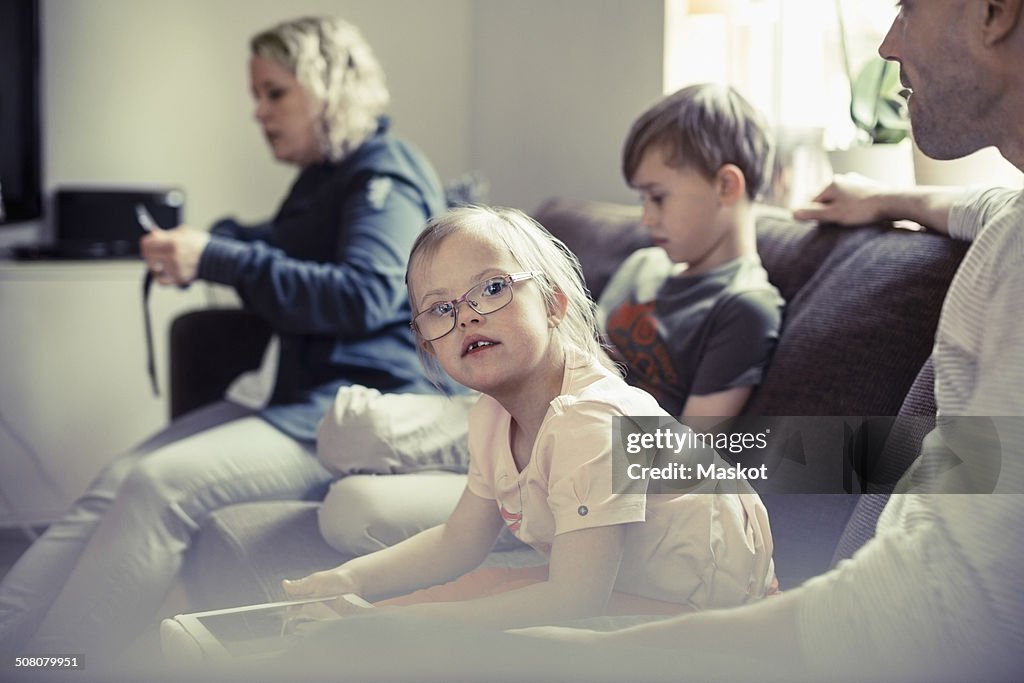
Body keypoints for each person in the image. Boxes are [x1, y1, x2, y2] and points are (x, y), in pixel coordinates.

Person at [510, 2, 1024, 681]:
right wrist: (890, 197)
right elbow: (985, 205)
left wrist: (577, 656)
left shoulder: (743, 308)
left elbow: (945, 601)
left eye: (907, 6)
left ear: (994, 12)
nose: (889, 43)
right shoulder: (1011, 219)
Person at [0, 16, 445, 659]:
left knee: (159, 484)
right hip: (293, 396)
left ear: (327, 87)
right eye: (256, 97)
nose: (259, 113)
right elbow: (281, 242)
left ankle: (55, 665)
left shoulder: (387, 172)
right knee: (120, 475)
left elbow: (366, 291)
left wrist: (217, 257)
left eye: (274, 93)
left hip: (348, 408)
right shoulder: (323, 178)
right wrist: (212, 242)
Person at [312, 83, 784, 556]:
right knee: (348, 426)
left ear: (727, 186)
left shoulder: (744, 306)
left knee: (353, 507)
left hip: (582, 465)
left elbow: (686, 456)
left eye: (657, 197)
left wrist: (566, 474)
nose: (645, 218)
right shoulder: (646, 266)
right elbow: (572, 345)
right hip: (515, 413)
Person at [281, 205, 776, 626]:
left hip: (701, 614)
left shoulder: (593, 420)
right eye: (439, 309)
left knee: (450, 633)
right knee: (464, 599)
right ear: (428, 344)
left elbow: (575, 601)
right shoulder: (491, 416)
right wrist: (352, 579)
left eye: (492, 288)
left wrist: (391, 622)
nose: (467, 316)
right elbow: (459, 541)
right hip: (621, 588)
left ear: (554, 305)